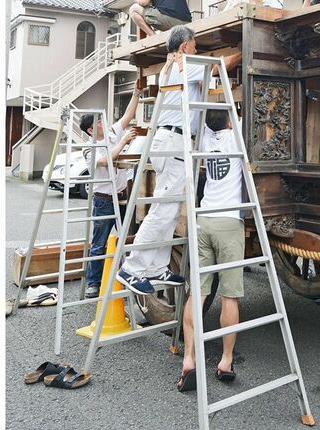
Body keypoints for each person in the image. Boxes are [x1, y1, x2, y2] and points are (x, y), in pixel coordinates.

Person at [116, 25, 242, 295]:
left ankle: (157, 267)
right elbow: (221, 66)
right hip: (173, 140)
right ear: (185, 46)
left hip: (171, 140)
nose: (196, 50)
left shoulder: (171, 66)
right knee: (163, 208)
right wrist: (244, 50)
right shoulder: (185, 65)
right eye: (195, 45)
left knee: (171, 210)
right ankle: (132, 267)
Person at [177, 109, 245, 392]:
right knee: (230, 296)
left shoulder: (204, 140)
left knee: (199, 292)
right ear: (230, 120)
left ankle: (189, 359)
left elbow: (207, 117)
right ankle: (226, 360)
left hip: (203, 219)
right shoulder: (237, 138)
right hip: (229, 222)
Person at [80, 80, 144, 298]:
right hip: (103, 199)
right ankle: (93, 283)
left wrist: (136, 93)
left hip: (122, 195)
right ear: (91, 129)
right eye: (99, 121)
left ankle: (129, 276)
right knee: (99, 243)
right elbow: (105, 161)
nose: (103, 122)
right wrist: (124, 140)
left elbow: (126, 116)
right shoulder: (89, 148)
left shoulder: (111, 132)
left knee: (129, 237)